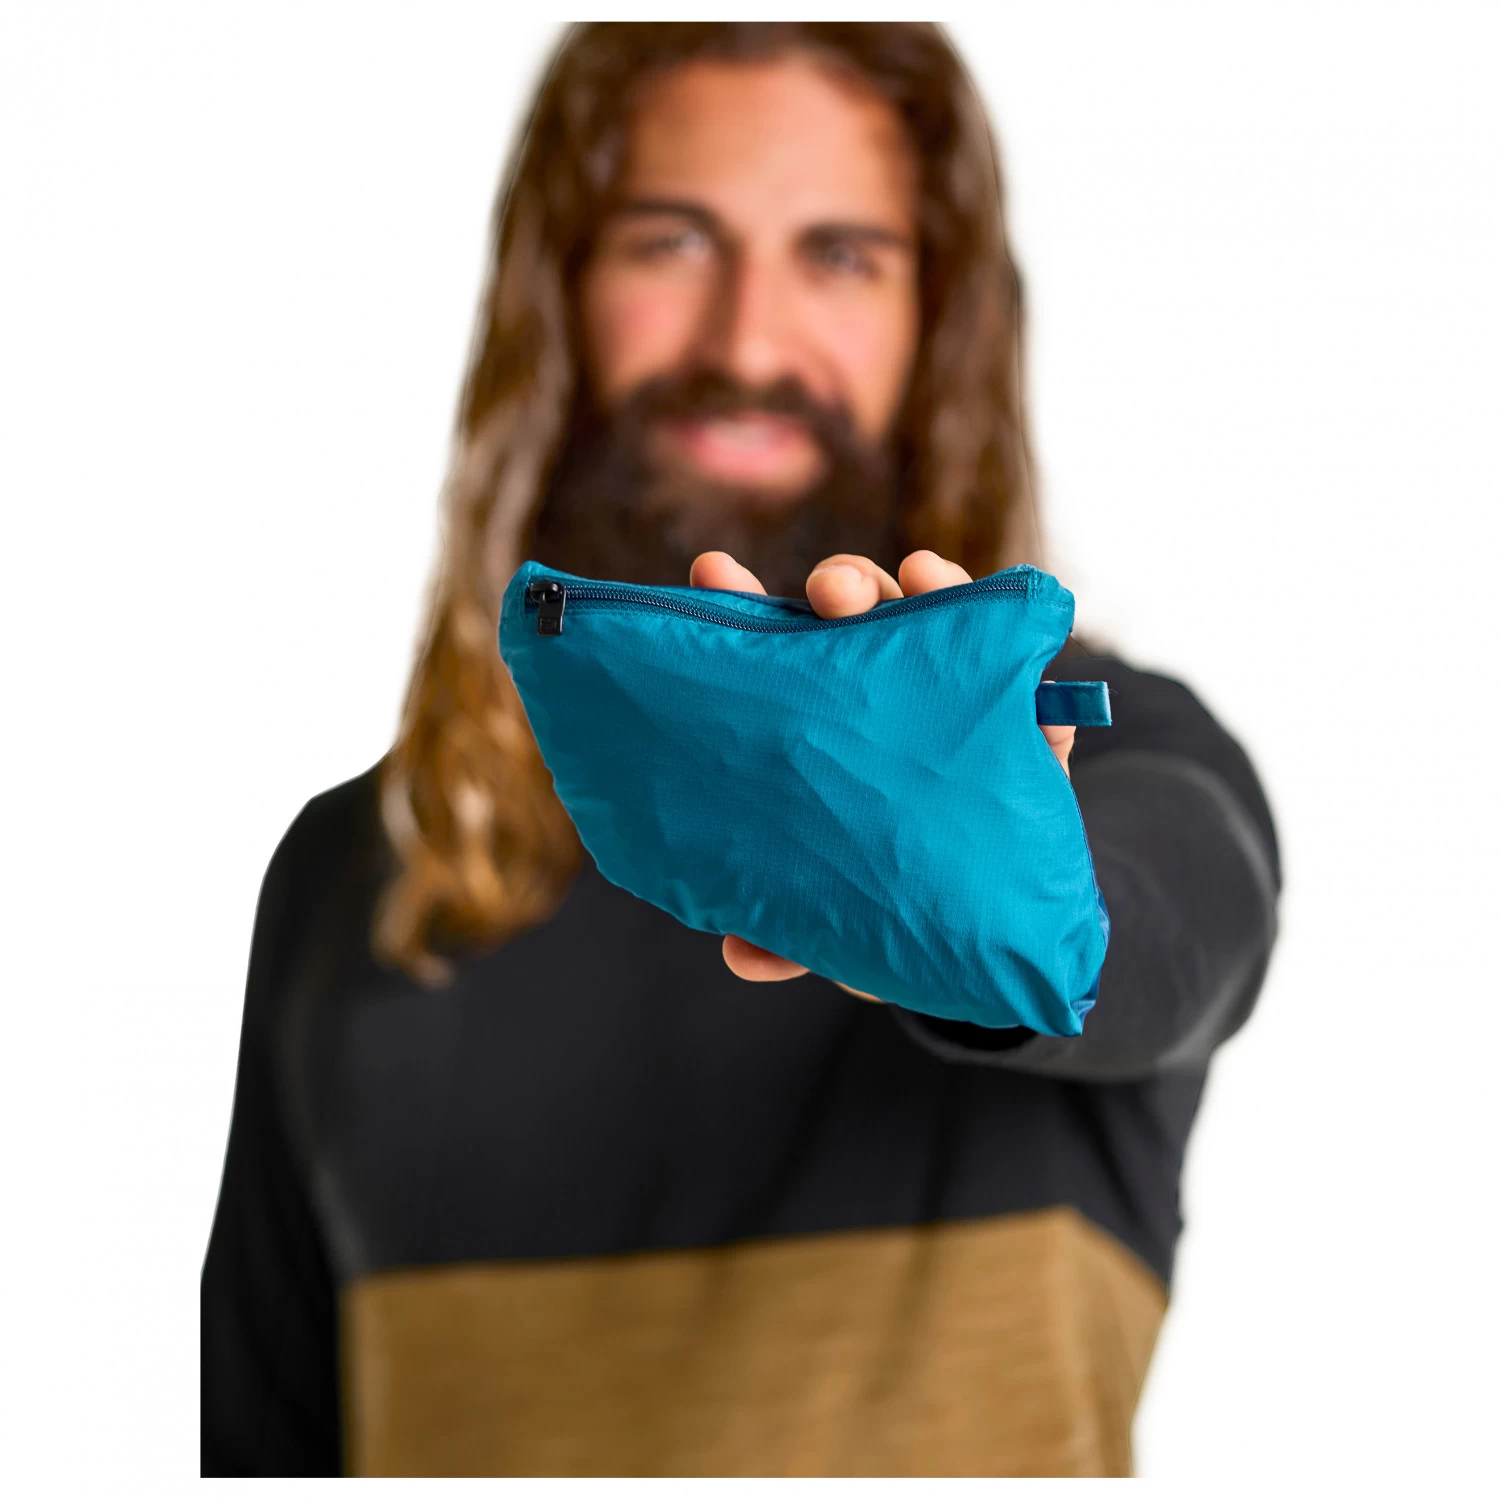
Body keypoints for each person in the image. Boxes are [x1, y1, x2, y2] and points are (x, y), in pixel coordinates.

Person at [200, 21, 1279, 1477]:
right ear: (558, 293)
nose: (747, 344)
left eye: (841, 255)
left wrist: (967, 886)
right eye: (672, 241)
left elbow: (1163, 942)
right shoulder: (353, 873)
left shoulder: (1115, 746)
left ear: (937, 317)